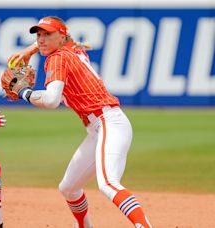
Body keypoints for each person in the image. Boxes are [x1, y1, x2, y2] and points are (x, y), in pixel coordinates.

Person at [8, 16, 152, 228]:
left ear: (62, 36)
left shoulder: (57, 58)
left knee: (108, 183)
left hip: (108, 122)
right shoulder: (74, 49)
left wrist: (23, 92)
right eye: (38, 35)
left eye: (47, 34)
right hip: (99, 128)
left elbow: (50, 100)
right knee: (68, 187)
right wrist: (31, 50)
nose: (41, 39)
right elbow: (62, 41)